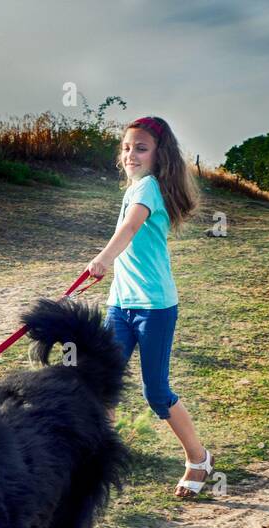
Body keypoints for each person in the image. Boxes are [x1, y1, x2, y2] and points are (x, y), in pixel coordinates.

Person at [86, 116, 211, 498]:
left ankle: (198, 458)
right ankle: (98, 461)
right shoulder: (136, 188)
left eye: (140, 148)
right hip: (120, 305)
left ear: (159, 156)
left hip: (154, 307)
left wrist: (103, 260)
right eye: (126, 148)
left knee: (155, 392)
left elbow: (129, 230)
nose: (130, 155)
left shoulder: (150, 189)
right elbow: (123, 232)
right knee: (101, 383)